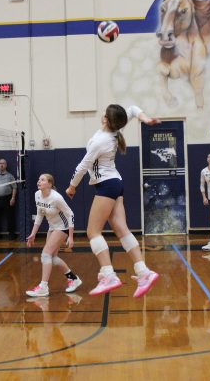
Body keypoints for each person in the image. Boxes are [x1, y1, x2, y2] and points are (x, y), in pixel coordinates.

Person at [65, 104, 160, 297]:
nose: (102, 114)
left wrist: (72, 186)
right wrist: (146, 119)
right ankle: (143, 272)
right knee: (121, 228)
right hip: (116, 183)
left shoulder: (100, 141)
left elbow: (83, 166)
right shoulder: (115, 130)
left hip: (107, 185)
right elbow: (132, 109)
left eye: (105, 113)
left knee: (93, 232)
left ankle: (108, 274)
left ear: (107, 119)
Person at [26, 173, 82, 297]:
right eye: (38, 179)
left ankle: (43, 287)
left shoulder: (56, 198)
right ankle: (74, 279)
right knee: (52, 258)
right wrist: (33, 234)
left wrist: (71, 237)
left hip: (64, 227)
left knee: (45, 254)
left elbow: (70, 214)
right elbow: (40, 214)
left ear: (50, 184)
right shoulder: (37, 195)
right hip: (53, 227)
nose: (39, 181)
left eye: (42, 180)